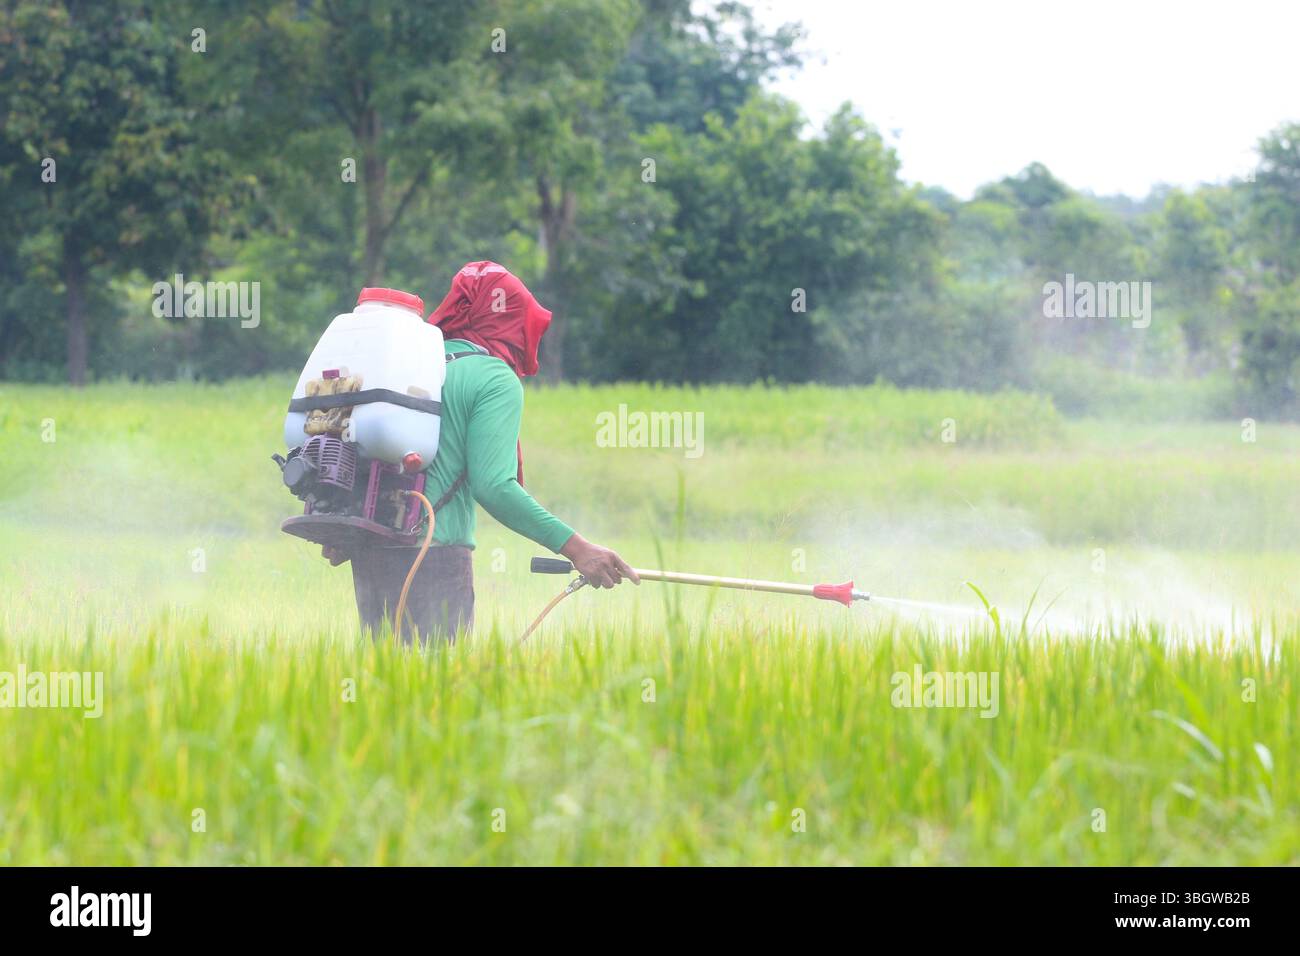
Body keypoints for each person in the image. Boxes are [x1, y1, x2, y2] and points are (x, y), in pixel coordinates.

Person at [347, 261, 638, 644]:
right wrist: (578, 548)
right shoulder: (492, 377)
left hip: (370, 551)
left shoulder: (410, 364)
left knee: (387, 689)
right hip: (435, 555)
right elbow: (494, 486)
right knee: (440, 692)